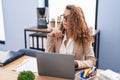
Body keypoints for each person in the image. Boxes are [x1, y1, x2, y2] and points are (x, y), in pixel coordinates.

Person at [45, 4, 96, 69]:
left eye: (68, 18)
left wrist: (77, 63)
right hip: (57, 71)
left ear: (77, 20)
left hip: (74, 74)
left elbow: (92, 61)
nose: (64, 20)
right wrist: (51, 37)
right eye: (64, 16)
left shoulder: (83, 37)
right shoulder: (57, 34)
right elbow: (47, 58)